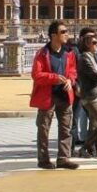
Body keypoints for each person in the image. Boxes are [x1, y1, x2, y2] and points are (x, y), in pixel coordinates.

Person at [29, 21, 79, 169]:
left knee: (66, 128)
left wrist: (70, 80)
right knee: (44, 128)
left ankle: (63, 158)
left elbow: (72, 71)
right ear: (53, 35)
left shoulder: (69, 53)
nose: (67, 34)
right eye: (63, 32)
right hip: (48, 95)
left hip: (64, 94)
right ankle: (43, 159)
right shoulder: (42, 53)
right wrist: (54, 78)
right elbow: (37, 75)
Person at [76, 29, 97, 158]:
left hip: (95, 93)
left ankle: (89, 148)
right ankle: (85, 147)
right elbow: (96, 76)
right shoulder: (84, 58)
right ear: (87, 44)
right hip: (90, 95)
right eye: (94, 42)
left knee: (95, 124)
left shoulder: (93, 56)